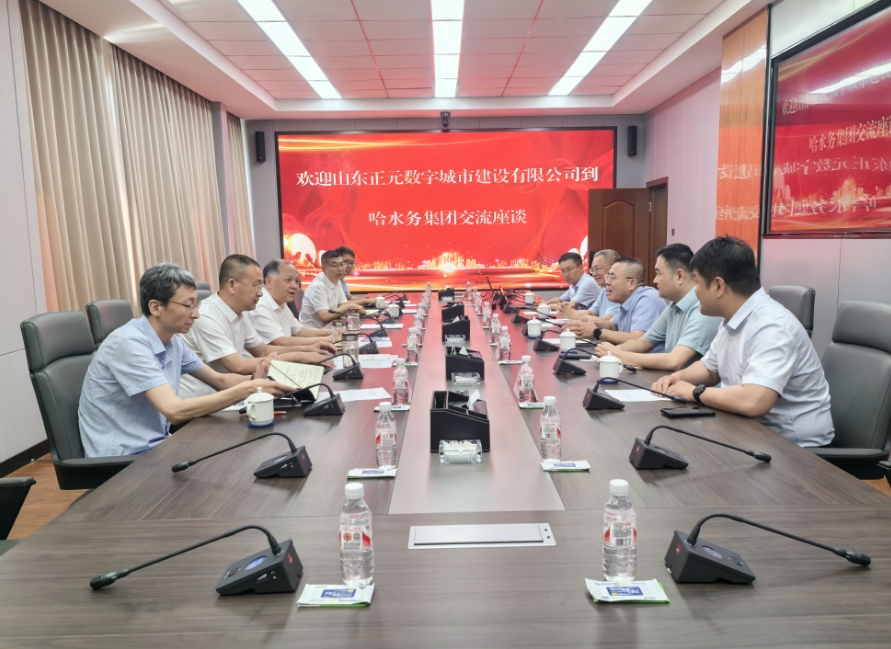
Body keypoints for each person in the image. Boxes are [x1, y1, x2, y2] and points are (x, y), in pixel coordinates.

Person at [78, 263, 293, 457]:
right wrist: (249, 389)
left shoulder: (172, 341)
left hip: (157, 446)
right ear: (156, 307)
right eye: (188, 305)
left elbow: (219, 380)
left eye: (196, 305)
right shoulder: (129, 344)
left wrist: (260, 380)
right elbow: (174, 411)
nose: (196, 314)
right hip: (123, 460)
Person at [652, 237, 833, 448]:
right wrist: (676, 379)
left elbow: (753, 401)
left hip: (795, 448)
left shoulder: (772, 326)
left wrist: (694, 392)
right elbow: (710, 369)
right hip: (747, 431)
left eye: (698, 283)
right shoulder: (732, 318)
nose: (695, 292)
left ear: (718, 286)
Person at [179, 255, 333, 399]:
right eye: (256, 286)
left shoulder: (240, 313)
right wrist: (298, 356)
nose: (260, 294)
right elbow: (238, 366)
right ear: (232, 285)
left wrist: (307, 350)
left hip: (233, 393)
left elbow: (263, 350)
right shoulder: (207, 316)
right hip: (204, 404)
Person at [593, 244, 721, 370]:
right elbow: (643, 342)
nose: (654, 280)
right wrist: (611, 352)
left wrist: (619, 355)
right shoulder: (674, 306)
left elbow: (675, 361)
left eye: (659, 274)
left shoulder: (703, 307)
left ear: (679, 276)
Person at [566, 257, 666, 344]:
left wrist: (596, 332)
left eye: (612, 278)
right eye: (608, 277)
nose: (607, 282)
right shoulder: (627, 300)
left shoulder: (647, 299)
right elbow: (612, 325)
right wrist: (588, 324)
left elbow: (636, 339)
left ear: (631, 283)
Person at [249, 259, 335, 347]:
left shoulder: (280, 301)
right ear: (269, 282)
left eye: (297, 281)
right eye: (288, 280)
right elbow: (280, 341)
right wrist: (328, 339)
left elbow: (298, 331)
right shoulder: (259, 306)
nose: (294, 286)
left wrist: (333, 332)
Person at [300, 249, 368, 328]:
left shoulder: (336, 280)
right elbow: (325, 316)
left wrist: (355, 307)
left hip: (331, 324)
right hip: (315, 331)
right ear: (323, 269)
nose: (340, 269)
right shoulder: (318, 287)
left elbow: (342, 304)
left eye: (341, 264)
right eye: (335, 266)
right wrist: (351, 305)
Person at [561, 249, 621, 321]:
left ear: (613, 267)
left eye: (597, 268)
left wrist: (573, 315)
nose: (594, 274)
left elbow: (605, 322)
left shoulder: (620, 292)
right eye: (592, 270)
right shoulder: (605, 290)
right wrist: (567, 311)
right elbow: (590, 312)